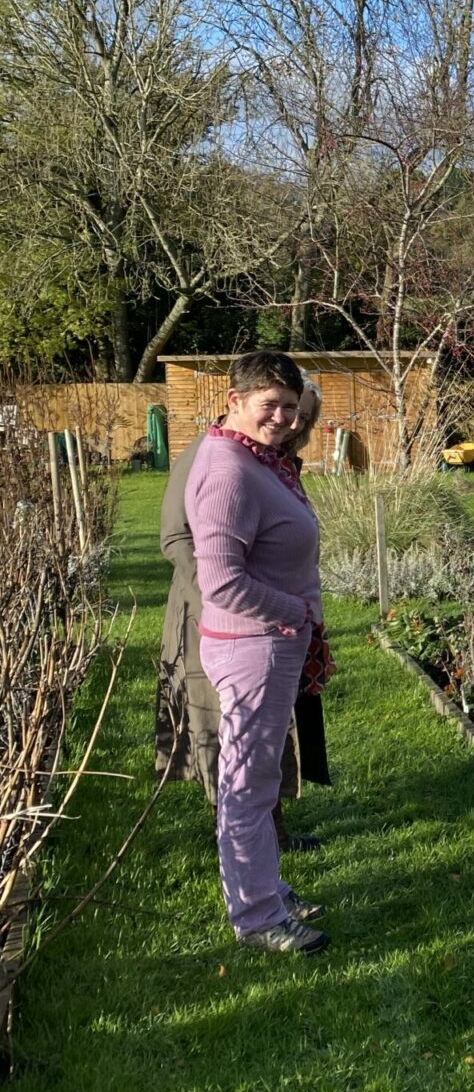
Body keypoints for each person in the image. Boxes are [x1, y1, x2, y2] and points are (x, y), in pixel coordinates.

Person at [185, 351, 334, 954]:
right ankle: (257, 917)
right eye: (269, 405)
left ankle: (266, 889)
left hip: (266, 645)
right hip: (254, 646)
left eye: (291, 408)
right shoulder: (229, 470)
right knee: (247, 786)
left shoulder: (253, 458)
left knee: (260, 780)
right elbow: (221, 581)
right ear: (235, 400)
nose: (282, 418)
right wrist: (294, 612)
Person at [157, 378, 330, 848]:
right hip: (216, 618)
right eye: (282, 410)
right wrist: (225, 605)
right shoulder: (215, 458)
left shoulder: (271, 460)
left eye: (302, 417)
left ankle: (269, 835)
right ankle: (242, 842)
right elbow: (176, 538)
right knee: (230, 731)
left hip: (270, 619)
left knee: (269, 731)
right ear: (240, 403)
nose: (291, 425)